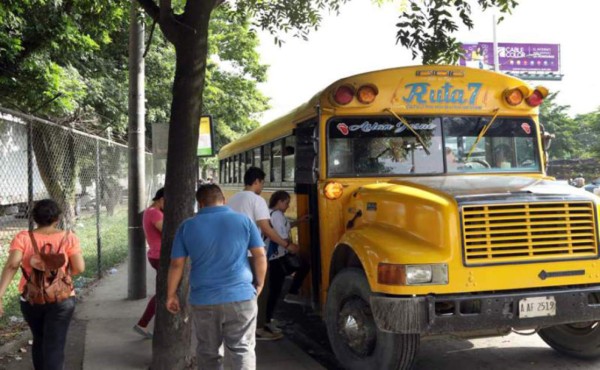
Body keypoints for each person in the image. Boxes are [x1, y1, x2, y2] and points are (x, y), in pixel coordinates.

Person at [167, 184, 267, 370]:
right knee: (242, 349)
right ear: (224, 200)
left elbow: (176, 264)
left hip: (204, 300)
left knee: (208, 351)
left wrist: (171, 294)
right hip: (241, 296)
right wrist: (259, 284)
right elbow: (260, 255)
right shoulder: (244, 221)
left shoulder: (187, 226)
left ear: (200, 204)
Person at [0, 199, 85, 370]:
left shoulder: (23, 237)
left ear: (34, 218)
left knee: (39, 339)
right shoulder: (69, 237)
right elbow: (80, 267)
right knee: (55, 343)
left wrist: (0, 294)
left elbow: (12, 265)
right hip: (62, 298)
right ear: (57, 219)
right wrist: (61, 277)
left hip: (31, 298)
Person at [227, 167, 299, 340]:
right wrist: (286, 244)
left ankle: (239, 326)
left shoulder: (233, 199)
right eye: (262, 182)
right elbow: (266, 228)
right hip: (253, 254)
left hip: (234, 253)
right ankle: (258, 329)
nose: (262, 186)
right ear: (257, 181)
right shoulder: (256, 200)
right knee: (261, 290)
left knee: (240, 290)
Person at [265, 191, 310, 332]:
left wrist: (300, 221)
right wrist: (291, 246)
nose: (288, 205)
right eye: (286, 202)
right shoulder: (277, 215)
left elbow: (286, 226)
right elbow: (282, 236)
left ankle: (268, 318)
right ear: (279, 202)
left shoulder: (271, 213)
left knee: (274, 289)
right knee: (275, 290)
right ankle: (267, 320)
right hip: (276, 257)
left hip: (273, 257)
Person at [133, 187, 164, 338]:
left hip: (157, 255)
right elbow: (168, 231)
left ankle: (144, 323)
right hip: (160, 256)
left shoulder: (150, 211)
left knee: (164, 291)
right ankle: (142, 323)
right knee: (163, 292)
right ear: (161, 199)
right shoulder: (154, 213)